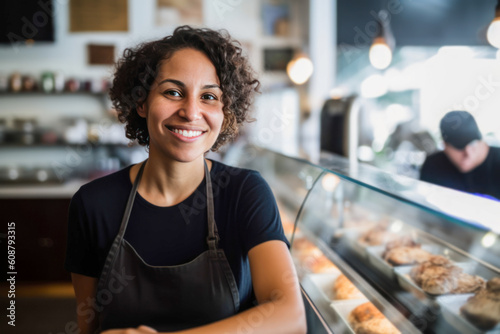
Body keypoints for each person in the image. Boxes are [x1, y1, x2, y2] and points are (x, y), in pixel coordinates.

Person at [65, 26, 306, 334]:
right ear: (141, 102)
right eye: (173, 92)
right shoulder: (93, 204)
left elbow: (290, 316)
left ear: (225, 112)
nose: (191, 112)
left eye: (208, 96)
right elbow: (89, 327)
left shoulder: (244, 192)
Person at [420, 110, 500, 199]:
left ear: (481, 141)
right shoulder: (433, 166)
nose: (468, 155)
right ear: (445, 146)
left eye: (473, 145)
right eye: (459, 148)